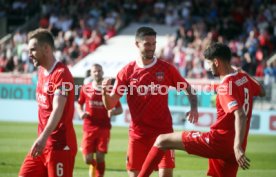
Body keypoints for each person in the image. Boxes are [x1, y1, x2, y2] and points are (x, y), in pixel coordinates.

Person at [137, 43, 266, 177]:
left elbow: (240, 114)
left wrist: (236, 146)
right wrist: (244, 72)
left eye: (209, 64)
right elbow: (261, 91)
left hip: (220, 142)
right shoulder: (243, 78)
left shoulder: (225, 86)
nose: (209, 68)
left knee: (162, 140)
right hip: (234, 146)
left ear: (216, 62)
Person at [101, 26, 198, 177]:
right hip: (138, 135)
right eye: (147, 44)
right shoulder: (127, 72)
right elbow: (110, 104)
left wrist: (194, 108)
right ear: (137, 44)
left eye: (154, 44)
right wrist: (104, 93)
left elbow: (190, 90)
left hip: (164, 135)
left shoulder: (166, 69)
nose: (151, 48)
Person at [18, 28, 77, 177]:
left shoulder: (61, 74)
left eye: (33, 49)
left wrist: (43, 137)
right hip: (43, 144)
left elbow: (58, 109)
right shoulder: (41, 72)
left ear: (46, 48)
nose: (29, 54)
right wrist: (43, 139)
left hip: (60, 146)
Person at [76, 64, 123, 177]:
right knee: (87, 159)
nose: (97, 73)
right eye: (94, 71)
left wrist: (113, 112)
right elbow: (79, 104)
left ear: (103, 72)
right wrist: (81, 113)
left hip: (104, 128)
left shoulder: (110, 90)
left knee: (100, 156)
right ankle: (94, 166)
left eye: (99, 71)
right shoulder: (86, 88)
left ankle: (99, 175)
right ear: (91, 74)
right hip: (89, 127)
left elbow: (120, 109)